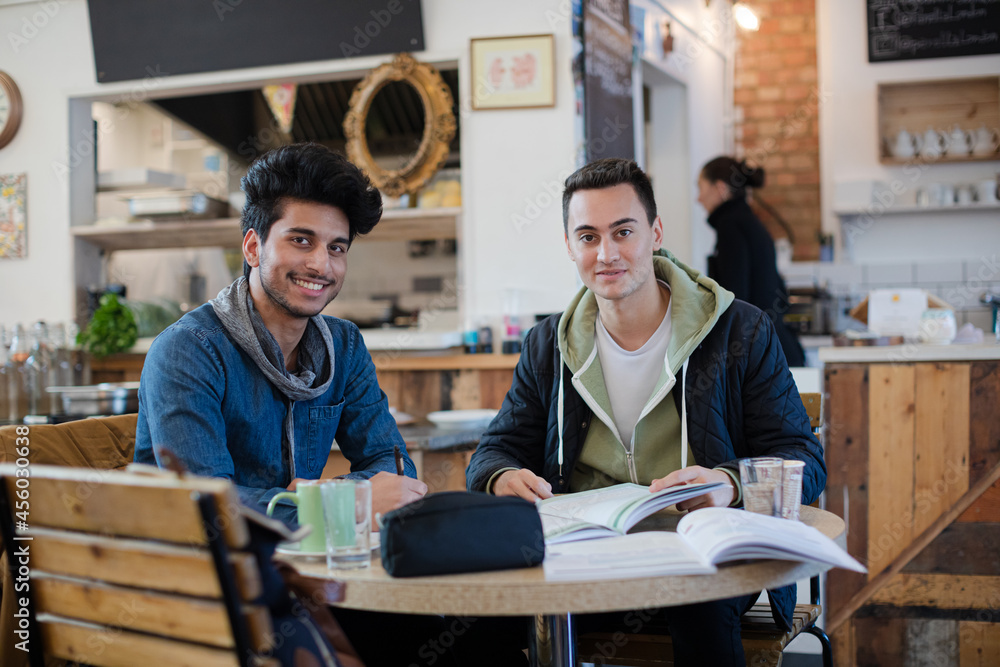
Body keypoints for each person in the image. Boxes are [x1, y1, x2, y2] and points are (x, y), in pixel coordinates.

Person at [135, 143, 524, 667]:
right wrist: (345, 503)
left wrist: (320, 498)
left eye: (337, 247)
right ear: (253, 247)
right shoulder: (187, 351)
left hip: (309, 578)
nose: (321, 264)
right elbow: (211, 508)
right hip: (209, 596)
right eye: (302, 240)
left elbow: (392, 464)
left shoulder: (341, 345)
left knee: (487, 630)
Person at [466, 158, 826, 666]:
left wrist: (731, 484)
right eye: (588, 236)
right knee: (476, 616)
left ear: (655, 233)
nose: (606, 253)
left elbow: (802, 456)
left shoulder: (740, 331)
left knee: (699, 608)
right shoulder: (548, 344)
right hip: (589, 555)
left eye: (624, 232)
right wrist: (501, 476)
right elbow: (494, 451)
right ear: (569, 246)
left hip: (699, 555)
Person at [697, 156, 805, 366]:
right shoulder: (749, 222)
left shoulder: (731, 227)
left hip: (761, 356)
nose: (698, 198)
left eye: (701, 188)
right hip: (778, 348)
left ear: (720, 188)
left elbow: (735, 300)